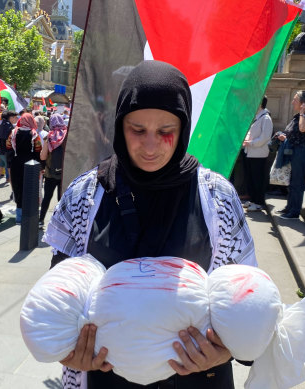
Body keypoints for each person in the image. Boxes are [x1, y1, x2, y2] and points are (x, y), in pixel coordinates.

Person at [40, 60, 256, 388]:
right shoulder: (85, 195)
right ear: (118, 126)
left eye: (165, 131)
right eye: (137, 130)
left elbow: (249, 304)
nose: (151, 145)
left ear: (183, 129)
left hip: (198, 380)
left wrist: (225, 351)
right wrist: (68, 347)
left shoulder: (218, 198)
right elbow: (60, 295)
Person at [274, 90, 305, 220]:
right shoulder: (297, 117)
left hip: (301, 152)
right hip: (293, 151)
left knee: (297, 182)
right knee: (292, 181)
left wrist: (303, 113)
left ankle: (294, 211)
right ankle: (289, 207)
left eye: (295, 100)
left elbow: (302, 129)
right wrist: (283, 137)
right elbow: (291, 132)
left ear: (303, 104)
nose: (292, 102)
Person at [8, 113, 42, 224]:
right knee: (30, 189)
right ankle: (29, 216)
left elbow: (8, 147)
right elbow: (38, 150)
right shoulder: (34, 134)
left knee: (18, 188)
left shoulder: (13, 133)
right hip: (31, 166)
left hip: (16, 164)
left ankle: (19, 217)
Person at [242, 96, 273, 212]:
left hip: (258, 154)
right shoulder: (257, 117)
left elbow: (265, 137)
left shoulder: (266, 118)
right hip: (250, 152)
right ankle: (253, 199)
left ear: (260, 103)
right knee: (251, 178)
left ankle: (258, 202)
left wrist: (251, 143)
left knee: (257, 179)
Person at [39, 113, 67, 228]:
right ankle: (62, 223)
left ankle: (41, 221)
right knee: (62, 199)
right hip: (64, 173)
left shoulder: (49, 137)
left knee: (47, 198)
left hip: (50, 173)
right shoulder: (67, 136)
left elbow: (43, 157)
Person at [0, 110, 17, 183]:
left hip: (1, 150)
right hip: (7, 151)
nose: (16, 119)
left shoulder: (3, 124)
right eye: (15, 117)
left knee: (1, 167)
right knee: (9, 169)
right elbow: (8, 140)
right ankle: (12, 185)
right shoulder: (9, 127)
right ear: (11, 118)